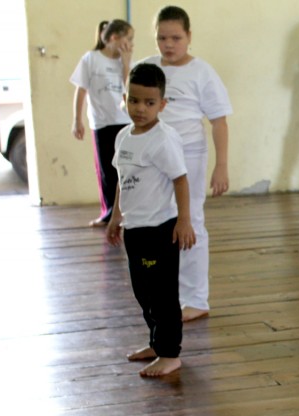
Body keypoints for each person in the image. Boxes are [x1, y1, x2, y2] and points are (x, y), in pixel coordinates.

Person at [140, 6, 232, 322]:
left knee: (189, 221)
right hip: (152, 158)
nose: (169, 44)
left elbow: (219, 122)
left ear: (189, 37)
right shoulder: (147, 67)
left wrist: (222, 166)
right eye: (162, 38)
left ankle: (196, 298)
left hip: (189, 156)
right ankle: (169, 292)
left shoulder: (202, 72)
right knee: (157, 222)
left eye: (176, 37)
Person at [105, 63, 195, 378]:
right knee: (143, 291)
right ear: (124, 98)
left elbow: (181, 180)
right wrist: (116, 216)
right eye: (134, 100)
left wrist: (184, 220)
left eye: (149, 103)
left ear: (162, 104)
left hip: (160, 230)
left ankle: (171, 353)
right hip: (135, 228)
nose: (140, 109)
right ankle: (157, 344)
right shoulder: (123, 137)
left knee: (162, 293)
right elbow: (122, 178)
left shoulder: (163, 139)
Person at [70, 19, 134, 228]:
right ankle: (108, 214)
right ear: (114, 38)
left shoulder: (124, 62)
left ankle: (127, 213)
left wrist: (126, 62)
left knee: (125, 169)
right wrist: (76, 120)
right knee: (106, 170)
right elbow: (81, 90)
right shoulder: (91, 59)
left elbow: (129, 89)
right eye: (129, 38)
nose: (131, 43)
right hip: (102, 123)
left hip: (124, 120)